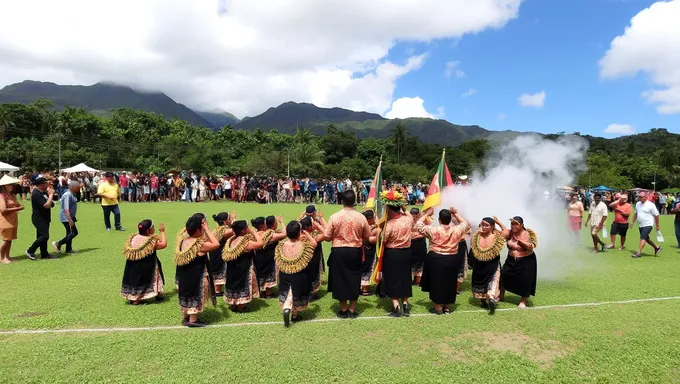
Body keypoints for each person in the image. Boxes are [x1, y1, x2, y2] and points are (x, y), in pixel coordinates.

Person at [323, 190, 371, 319]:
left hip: (339, 250)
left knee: (340, 279)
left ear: (342, 201)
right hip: (355, 250)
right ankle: (352, 309)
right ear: (354, 201)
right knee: (355, 278)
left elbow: (327, 237)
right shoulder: (361, 217)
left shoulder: (335, 216)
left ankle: (343, 309)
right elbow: (367, 235)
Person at [416, 207, 471, 315]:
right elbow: (465, 223)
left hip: (436, 259)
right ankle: (446, 307)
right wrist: (455, 213)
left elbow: (418, 224)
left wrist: (427, 214)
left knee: (436, 282)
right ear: (450, 220)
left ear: (439, 219)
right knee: (450, 282)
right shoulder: (456, 229)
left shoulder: (433, 229)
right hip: (451, 259)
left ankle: (438, 308)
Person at [175, 213, 221, 327]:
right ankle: (193, 320)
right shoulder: (199, 245)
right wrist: (207, 228)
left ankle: (186, 316)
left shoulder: (183, 241)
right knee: (197, 293)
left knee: (187, 293)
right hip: (197, 275)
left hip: (185, 275)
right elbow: (216, 244)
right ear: (197, 231)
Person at [275, 221, 318, 327]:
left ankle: (286, 307)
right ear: (299, 232)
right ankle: (295, 314)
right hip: (300, 273)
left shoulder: (281, 246)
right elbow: (314, 244)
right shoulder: (303, 245)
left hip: (285, 272)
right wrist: (306, 233)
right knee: (296, 292)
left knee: (288, 291)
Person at [380, 192, 414, 317]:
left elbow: (383, 240)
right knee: (405, 277)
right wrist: (404, 208)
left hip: (392, 253)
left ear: (390, 210)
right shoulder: (408, 219)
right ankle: (405, 304)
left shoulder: (389, 225)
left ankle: (396, 306)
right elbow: (408, 214)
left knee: (392, 278)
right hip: (406, 252)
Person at [221, 220, 264, 312]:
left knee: (233, 283)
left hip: (232, 268)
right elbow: (260, 243)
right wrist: (253, 231)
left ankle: (233, 303)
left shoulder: (231, 240)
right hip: (242, 268)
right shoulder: (245, 243)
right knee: (241, 283)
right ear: (243, 230)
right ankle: (241, 306)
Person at [121, 220, 168, 304]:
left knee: (136, 279)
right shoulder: (150, 241)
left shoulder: (133, 238)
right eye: (153, 227)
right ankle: (156, 294)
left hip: (132, 266)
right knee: (153, 275)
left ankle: (135, 297)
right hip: (147, 265)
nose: (154, 228)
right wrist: (162, 232)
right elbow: (163, 244)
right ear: (148, 230)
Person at [469, 217, 508, 314]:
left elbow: (506, 232)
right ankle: (483, 302)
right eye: (483, 225)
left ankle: (491, 297)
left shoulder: (497, 236)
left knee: (494, 281)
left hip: (493, 264)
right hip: (479, 264)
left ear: (492, 227)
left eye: (487, 225)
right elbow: (472, 245)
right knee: (479, 284)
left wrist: (498, 222)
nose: (484, 227)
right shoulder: (477, 236)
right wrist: (478, 230)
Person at [500, 217, 538, 309]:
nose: (513, 226)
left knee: (525, 280)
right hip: (511, 259)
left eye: (516, 224)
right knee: (503, 275)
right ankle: (501, 295)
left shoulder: (528, 234)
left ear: (521, 225)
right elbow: (501, 233)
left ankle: (523, 301)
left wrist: (521, 242)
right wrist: (497, 222)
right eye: (512, 224)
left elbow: (531, 247)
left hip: (526, 260)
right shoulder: (510, 233)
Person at [253, 216, 287, 298]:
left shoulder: (255, 234)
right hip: (269, 258)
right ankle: (268, 293)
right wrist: (282, 222)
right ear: (262, 225)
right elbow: (285, 234)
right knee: (269, 273)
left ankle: (261, 291)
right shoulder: (270, 235)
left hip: (258, 258)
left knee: (260, 273)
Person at [25, 174, 55, 260]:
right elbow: (46, 205)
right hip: (39, 218)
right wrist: (51, 195)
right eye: (46, 183)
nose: (48, 185)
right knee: (44, 236)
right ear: (41, 184)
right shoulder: (36, 193)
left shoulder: (43, 193)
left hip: (45, 217)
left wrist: (50, 198)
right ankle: (30, 251)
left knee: (41, 236)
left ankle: (44, 254)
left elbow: (51, 204)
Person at [208, 212, 235, 297]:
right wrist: (234, 220)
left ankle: (216, 289)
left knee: (217, 270)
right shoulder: (224, 231)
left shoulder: (217, 229)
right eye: (229, 219)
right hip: (219, 254)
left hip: (214, 253)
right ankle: (217, 290)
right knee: (219, 270)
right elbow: (237, 229)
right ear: (225, 221)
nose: (230, 220)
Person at [0, 175, 25, 264]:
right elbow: (3, 210)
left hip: (13, 220)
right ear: (4, 186)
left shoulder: (11, 195)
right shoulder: (1, 196)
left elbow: (17, 204)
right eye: (10, 185)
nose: (12, 186)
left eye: (12, 185)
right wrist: (18, 208)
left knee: (9, 240)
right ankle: (2, 257)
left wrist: (19, 206)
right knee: (6, 240)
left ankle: (7, 256)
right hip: (5, 221)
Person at [53, 180, 81, 255]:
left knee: (70, 233)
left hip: (71, 216)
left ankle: (68, 249)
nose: (79, 189)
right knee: (74, 233)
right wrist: (70, 220)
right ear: (72, 187)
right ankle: (58, 244)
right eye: (77, 188)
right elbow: (66, 209)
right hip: (66, 217)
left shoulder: (73, 193)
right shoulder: (67, 195)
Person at [631, 192, 661, 258]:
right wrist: (632, 222)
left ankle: (638, 252)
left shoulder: (651, 205)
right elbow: (636, 213)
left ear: (646, 197)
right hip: (640, 224)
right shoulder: (638, 204)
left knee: (642, 237)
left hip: (648, 224)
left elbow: (656, 215)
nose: (639, 198)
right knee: (646, 238)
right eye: (639, 197)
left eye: (641, 197)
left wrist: (657, 225)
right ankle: (657, 247)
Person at [360, 210, 379, 296]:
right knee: (366, 269)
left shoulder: (363, 225)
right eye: (374, 217)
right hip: (367, 250)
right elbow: (371, 239)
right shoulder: (366, 227)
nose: (375, 218)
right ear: (369, 219)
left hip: (364, 249)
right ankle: (364, 289)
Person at [409, 207, 427, 286]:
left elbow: (425, 233)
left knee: (420, 261)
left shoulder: (423, 222)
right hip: (411, 244)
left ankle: (418, 281)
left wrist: (414, 236)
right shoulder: (408, 221)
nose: (413, 217)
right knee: (411, 261)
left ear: (418, 215)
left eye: (415, 215)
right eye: (412, 215)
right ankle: (413, 279)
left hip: (420, 244)